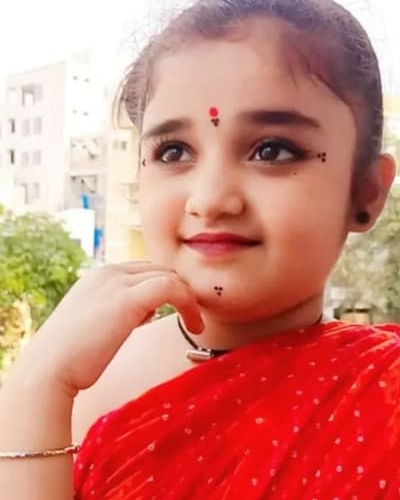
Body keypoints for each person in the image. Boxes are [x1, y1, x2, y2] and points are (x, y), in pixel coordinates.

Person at [0, 0, 399, 498]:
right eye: (173, 152)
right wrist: (35, 391)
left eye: (272, 150)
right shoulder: (74, 373)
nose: (210, 199)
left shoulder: (383, 399)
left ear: (366, 192)